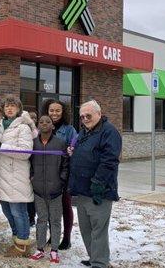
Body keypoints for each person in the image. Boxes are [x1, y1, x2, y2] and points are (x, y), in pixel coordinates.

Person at [69, 100, 121, 268]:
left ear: (99, 113)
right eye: (82, 116)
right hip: (82, 189)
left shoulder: (109, 132)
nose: (85, 118)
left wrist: (98, 182)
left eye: (88, 115)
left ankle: (100, 262)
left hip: (99, 191)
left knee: (98, 229)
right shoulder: (85, 132)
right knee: (86, 228)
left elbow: (110, 161)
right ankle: (94, 258)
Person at [0, 96, 35, 257]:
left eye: (13, 106)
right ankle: (17, 237)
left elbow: (25, 152)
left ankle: (22, 244)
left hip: (16, 174)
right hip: (2, 174)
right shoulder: (0, 125)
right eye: (6, 106)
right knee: (6, 209)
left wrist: (1, 147)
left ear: (18, 109)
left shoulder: (23, 127)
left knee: (18, 211)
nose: (9, 109)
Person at [29, 115, 69, 264]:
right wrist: (32, 177)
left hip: (55, 190)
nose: (44, 124)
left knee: (55, 220)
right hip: (38, 189)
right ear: (38, 125)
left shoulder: (60, 143)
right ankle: (40, 248)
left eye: (48, 122)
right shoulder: (33, 143)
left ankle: (54, 250)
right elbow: (29, 163)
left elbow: (66, 163)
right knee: (41, 219)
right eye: (41, 122)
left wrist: (61, 180)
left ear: (53, 126)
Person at [42, 99, 77, 249]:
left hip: (63, 174)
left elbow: (75, 149)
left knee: (65, 205)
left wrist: (71, 152)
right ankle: (53, 235)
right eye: (51, 110)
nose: (54, 113)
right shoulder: (42, 128)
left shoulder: (69, 130)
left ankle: (67, 238)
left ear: (63, 112)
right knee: (50, 206)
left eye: (58, 110)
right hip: (45, 174)